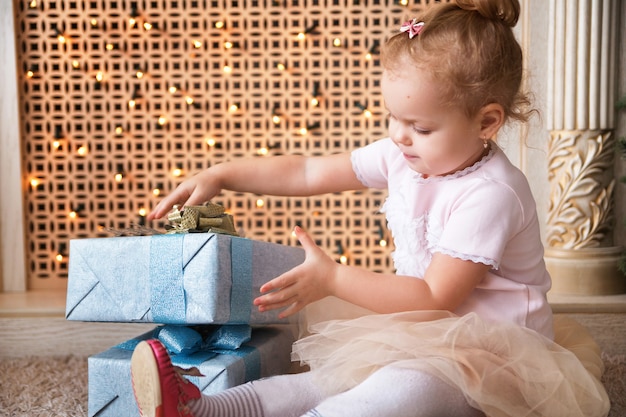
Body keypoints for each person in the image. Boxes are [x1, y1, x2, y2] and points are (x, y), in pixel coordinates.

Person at [130, 0, 610, 416]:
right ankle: (204, 409)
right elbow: (308, 171)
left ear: (486, 122)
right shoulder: (405, 153)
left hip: (496, 359)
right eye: (392, 118)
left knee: (399, 390)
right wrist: (223, 174)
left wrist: (335, 279)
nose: (400, 135)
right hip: (428, 335)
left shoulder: (491, 194)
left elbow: (433, 295)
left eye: (420, 127)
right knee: (337, 377)